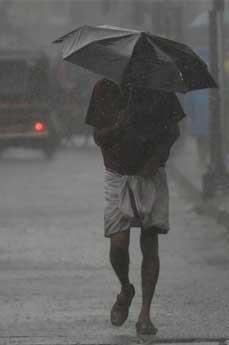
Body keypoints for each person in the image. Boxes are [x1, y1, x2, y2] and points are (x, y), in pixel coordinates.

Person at [86, 79, 183, 336]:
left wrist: (156, 158)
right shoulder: (104, 89)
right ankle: (126, 288)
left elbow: (173, 131)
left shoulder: (160, 88)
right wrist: (119, 125)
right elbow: (98, 136)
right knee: (118, 243)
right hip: (117, 174)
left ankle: (145, 313)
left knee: (149, 241)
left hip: (151, 173)